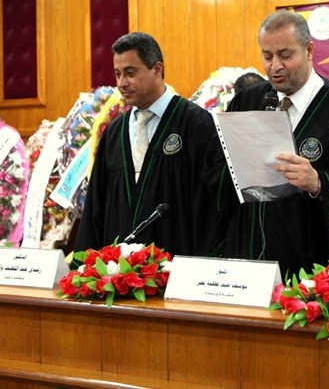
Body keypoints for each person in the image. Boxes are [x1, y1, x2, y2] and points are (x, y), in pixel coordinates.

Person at [218, 10, 329, 276]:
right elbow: (219, 178)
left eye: (285, 55)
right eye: (267, 56)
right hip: (249, 257)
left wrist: (319, 183)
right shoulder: (247, 102)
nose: (275, 66)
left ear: (309, 50)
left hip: (307, 263)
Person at [75, 32, 223, 257]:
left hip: (175, 266)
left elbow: (210, 209)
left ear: (157, 69)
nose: (121, 83)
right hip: (118, 272)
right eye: (117, 74)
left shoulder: (196, 124)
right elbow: (95, 210)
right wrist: (86, 265)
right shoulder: (114, 133)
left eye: (130, 73)